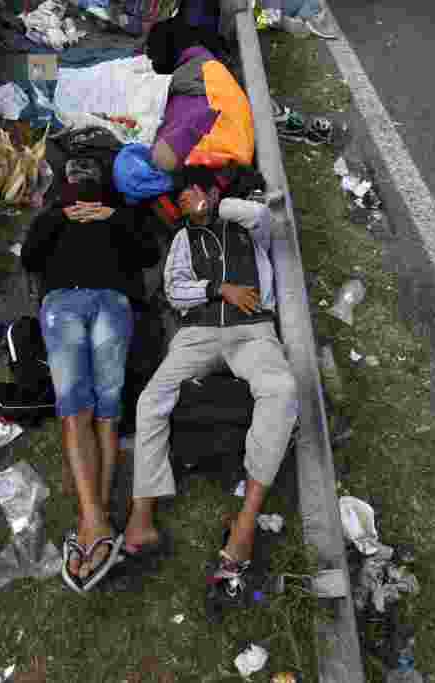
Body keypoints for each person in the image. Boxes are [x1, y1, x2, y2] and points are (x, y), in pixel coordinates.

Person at [123, 182, 298, 597]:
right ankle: (142, 512)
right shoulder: (183, 239)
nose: (190, 200)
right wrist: (218, 289)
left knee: (283, 387)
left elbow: (260, 216)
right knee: (151, 399)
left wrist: (219, 206)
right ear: (178, 211)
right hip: (198, 333)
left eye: (195, 191)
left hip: (253, 331)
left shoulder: (245, 226)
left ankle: (245, 520)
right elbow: (174, 290)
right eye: (182, 199)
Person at [21, 160, 162, 593]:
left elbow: (149, 253)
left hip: (112, 301)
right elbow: (30, 256)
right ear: (66, 184)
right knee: (75, 408)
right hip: (63, 302)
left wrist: (114, 217)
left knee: (108, 410)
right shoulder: (53, 215)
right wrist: (55, 216)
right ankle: (96, 520)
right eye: (75, 172)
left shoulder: (120, 213)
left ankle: (93, 524)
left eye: (89, 172)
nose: (82, 178)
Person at [145, 17, 254, 172]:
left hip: (217, 164)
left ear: (167, 49)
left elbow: (164, 156)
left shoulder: (188, 80)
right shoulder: (209, 68)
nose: (149, 58)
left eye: (152, 52)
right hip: (237, 154)